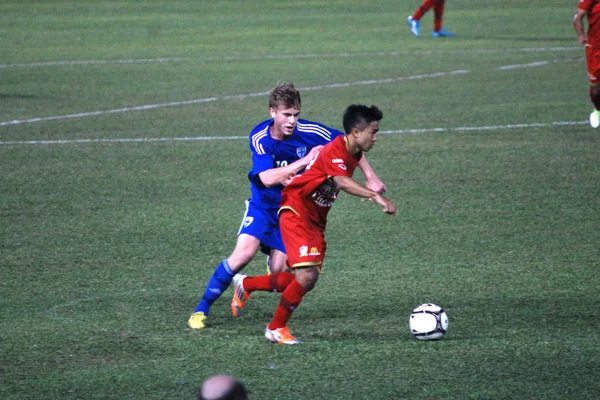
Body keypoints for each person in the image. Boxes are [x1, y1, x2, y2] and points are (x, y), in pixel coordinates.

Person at [188, 83, 387, 329]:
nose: (292, 121)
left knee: (281, 273)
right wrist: (304, 161)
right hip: (263, 206)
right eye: (286, 115)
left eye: (296, 115)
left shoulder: (311, 131)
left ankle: (246, 284)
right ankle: (201, 309)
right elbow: (266, 178)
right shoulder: (260, 137)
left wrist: (370, 176)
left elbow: (351, 142)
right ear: (272, 112)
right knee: (243, 255)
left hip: (292, 211)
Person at [231, 104, 396, 344]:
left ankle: (246, 284)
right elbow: (341, 180)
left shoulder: (355, 152)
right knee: (306, 276)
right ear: (356, 132)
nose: (376, 137)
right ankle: (275, 328)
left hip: (315, 219)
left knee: (306, 279)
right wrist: (376, 196)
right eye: (373, 131)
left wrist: (370, 178)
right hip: (297, 211)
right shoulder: (334, 151)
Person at [574, 0, 600, 128]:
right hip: (595, 49)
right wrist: (581, 35)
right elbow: (578, 16)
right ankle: (597, 110)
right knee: (596, 90)